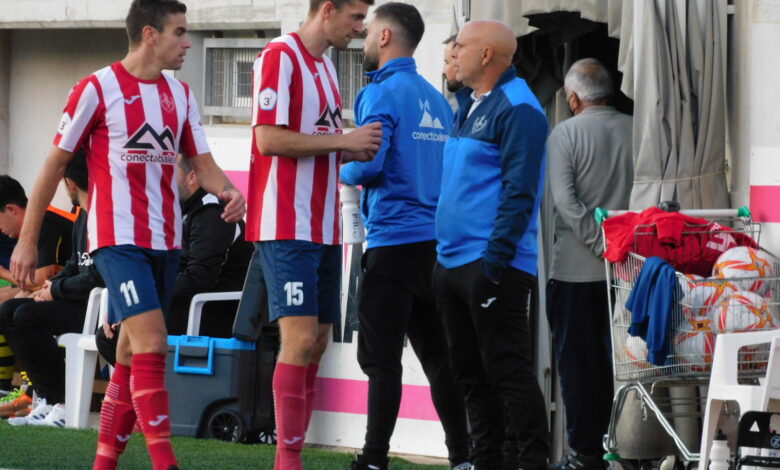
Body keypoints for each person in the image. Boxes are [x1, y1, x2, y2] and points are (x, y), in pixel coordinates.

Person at [10, 1, 245, 469]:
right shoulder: (96, 88)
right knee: (153, 341)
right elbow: (54, 165)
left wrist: (229, 191)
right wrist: (28, 239)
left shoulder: (180, 95)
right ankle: (165, 463)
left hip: (166, 242)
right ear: (150, 34)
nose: (188, 43)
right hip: (117, 242)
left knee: (130, 351)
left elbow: (202, 163)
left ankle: (103, 463)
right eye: (180, 32)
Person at [249, 0, 382, 468]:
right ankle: (287, 462)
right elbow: (268, 139)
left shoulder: (326, 66)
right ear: (327, 9)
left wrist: (350, 150)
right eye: (355, 17)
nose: (360, 28)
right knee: (301, 339)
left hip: (324, 226)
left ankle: (293, 455)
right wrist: (344, 140)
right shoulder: (279, 56)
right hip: (286, 223)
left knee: (318, 341)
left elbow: (318, 141)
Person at [339, 4, 470, 470]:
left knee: (381, 362)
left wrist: (338, 165)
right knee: (440, 361)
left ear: (386, 36)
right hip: (436, 249)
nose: (363, 39)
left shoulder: (379, 92)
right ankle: (463, 458)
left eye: (369, 31)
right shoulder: (436, 98)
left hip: (392, 245)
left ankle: (374, 459)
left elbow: (369, 164)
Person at [433, 20, 550, 470]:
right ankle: (486, 461)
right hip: (451, 262)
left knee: (508, 370)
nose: (453, 53)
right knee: (470, 375)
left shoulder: (519, 108)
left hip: (490, 264)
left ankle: (531, 462)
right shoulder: (471, 103)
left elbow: (520, 193)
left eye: (460, 46)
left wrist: (494, 263)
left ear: (485, 55)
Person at [545, 58, 633, 470]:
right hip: (630, 271)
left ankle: (585, 454)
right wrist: (616, 248)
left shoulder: (564, 134)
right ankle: (631, 448)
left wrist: (600, 243)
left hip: (575, 273)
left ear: (573, 99)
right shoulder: (637, 130)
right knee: (630, 365)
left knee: (580, 369)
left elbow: (565, 203)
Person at [0, 149, 102, 427]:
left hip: (98, 308)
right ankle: (46, 398)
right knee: (10, 311)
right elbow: (74, 264)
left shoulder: (103, 216)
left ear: (69, 182)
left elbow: (97, 276)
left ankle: (63, 402)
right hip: (76, 299)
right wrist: (51, 286)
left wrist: (55, 290)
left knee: (26, 315)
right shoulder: (83, 216)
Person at [0, 175, 74, 396]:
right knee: (10, 301)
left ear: (11, 210)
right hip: (54, 291)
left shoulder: (45, 223)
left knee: (18, 307)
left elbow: (41, 280)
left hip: (75, 297)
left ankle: (33, 387)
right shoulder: (29, 229)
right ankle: (10, 388)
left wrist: (2, 272)